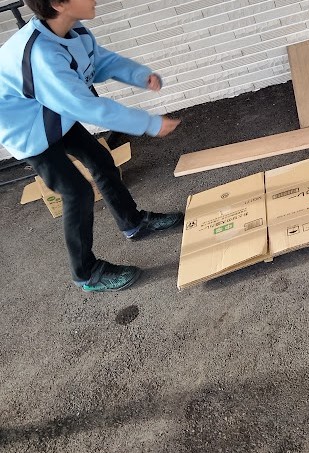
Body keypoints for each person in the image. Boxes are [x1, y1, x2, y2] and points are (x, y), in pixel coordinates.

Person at [0, 0, 184, 292]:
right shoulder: (42, 55)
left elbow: (99, 61)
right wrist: (148, 123)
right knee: (77, 192)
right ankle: (86, 274)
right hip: (28, 131)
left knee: (100, 159)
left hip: (54, 111)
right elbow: (88, 107)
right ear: (58, 4)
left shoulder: (73, 30)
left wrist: (138, 75)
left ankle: (133, 223)